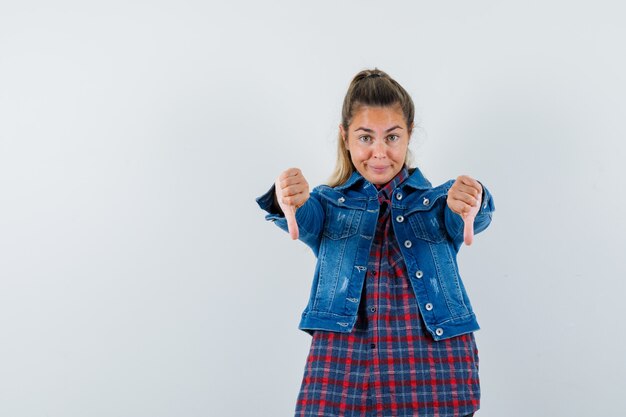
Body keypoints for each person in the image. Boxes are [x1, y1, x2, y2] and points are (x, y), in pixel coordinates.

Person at [256, 68, 495, 417]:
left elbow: (466, 218)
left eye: (392, 137)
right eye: (366, 138)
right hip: (345, 359)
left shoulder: (438, 202)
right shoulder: (327, 204)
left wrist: (474, 199)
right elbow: (303, 217)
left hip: (433, 363)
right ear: (345, 136)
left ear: (409, 135)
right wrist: (286, 198)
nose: (380, 152)